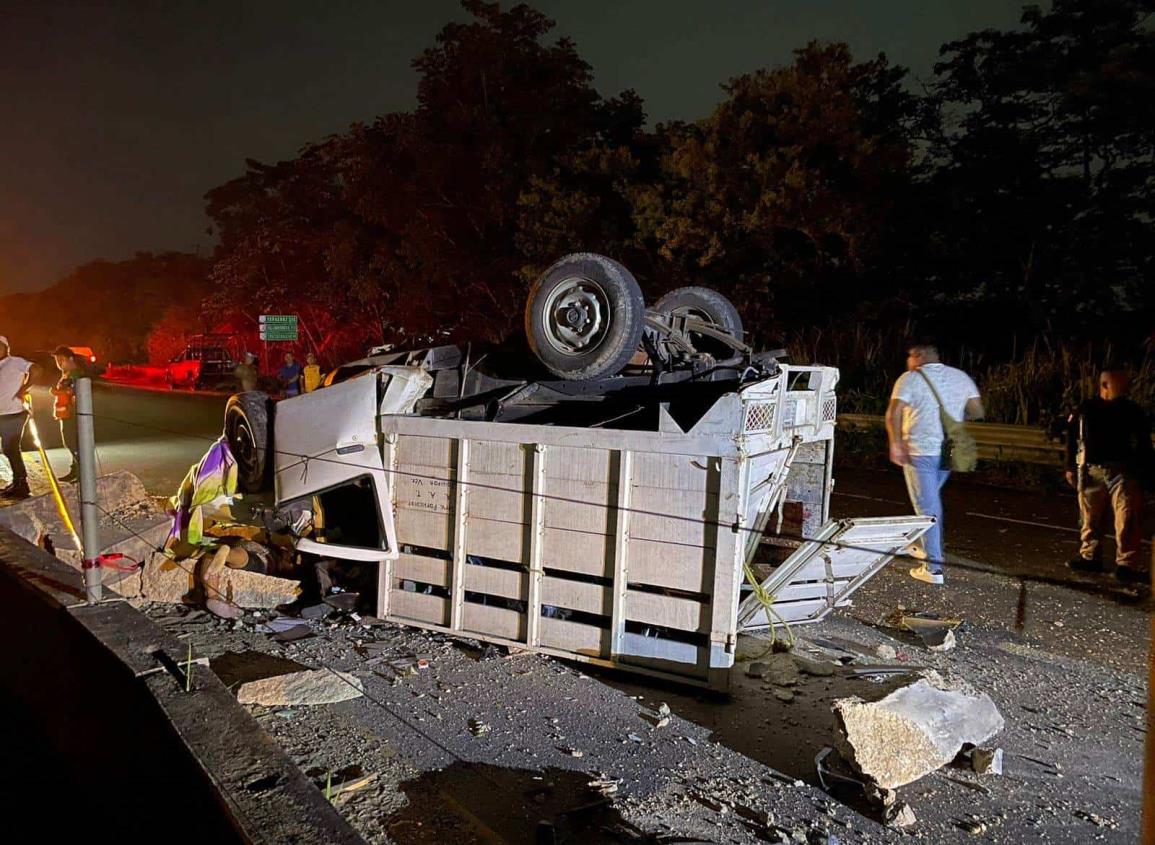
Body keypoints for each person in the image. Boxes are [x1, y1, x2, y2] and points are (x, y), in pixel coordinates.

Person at [885, 339, 984, 585]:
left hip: (921, 451)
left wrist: (895, 443)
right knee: (929, 500)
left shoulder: (910, 378)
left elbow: (893, 413)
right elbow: (977, 411)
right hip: (949, 451)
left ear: (917, 356)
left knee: (928, 506)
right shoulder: (960, 377)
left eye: (909, 357)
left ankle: (933, 567)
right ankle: (919, 542)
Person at [1065, 368, 1153, 583]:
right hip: (1092, 470)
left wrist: (1146, 472)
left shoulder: (1132, 410)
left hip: (1123, 470)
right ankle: (1090, 556)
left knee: (1127, 518)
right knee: (1090, 518)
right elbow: (1072, 438)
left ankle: (1126, 564)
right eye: (1119, 384)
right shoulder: (1086, 409)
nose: (1125, 389)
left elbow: (1143, 444)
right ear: (1104, 385)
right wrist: (1069, 466)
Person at [0, 335, 41, 500]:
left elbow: (37, 370)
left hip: (14, 413)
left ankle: (22, 485)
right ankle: (17, 482)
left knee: (11, 448)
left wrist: (24, 388)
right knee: (9, 449)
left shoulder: (15, 362)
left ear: (6, 348)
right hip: (2, 414)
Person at [50, 345, 83, 483]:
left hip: (72, 414)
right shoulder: (67, 373)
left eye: (61, 359)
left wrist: (56, 392)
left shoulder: (75, 374)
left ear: (70, 358)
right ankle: (75, 470)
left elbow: (72, 392)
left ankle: (81, 472)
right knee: (70, 442)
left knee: (72, 443)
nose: (58, 362)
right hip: (66, 414)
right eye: (57, 359)